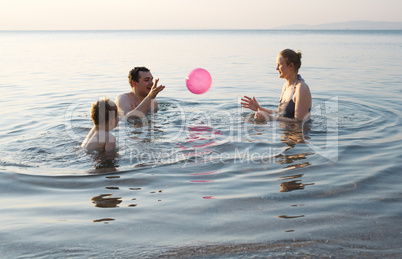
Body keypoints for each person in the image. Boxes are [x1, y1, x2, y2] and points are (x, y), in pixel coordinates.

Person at [241, 49, 311, 122]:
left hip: (296, 132)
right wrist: (258, 108)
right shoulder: (286, 86)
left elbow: (300, 122)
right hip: (284, 131)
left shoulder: (301, 88)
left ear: (291, 66)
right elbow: (280, 113)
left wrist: (270, 118)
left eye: (279, 65)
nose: (276, 68)